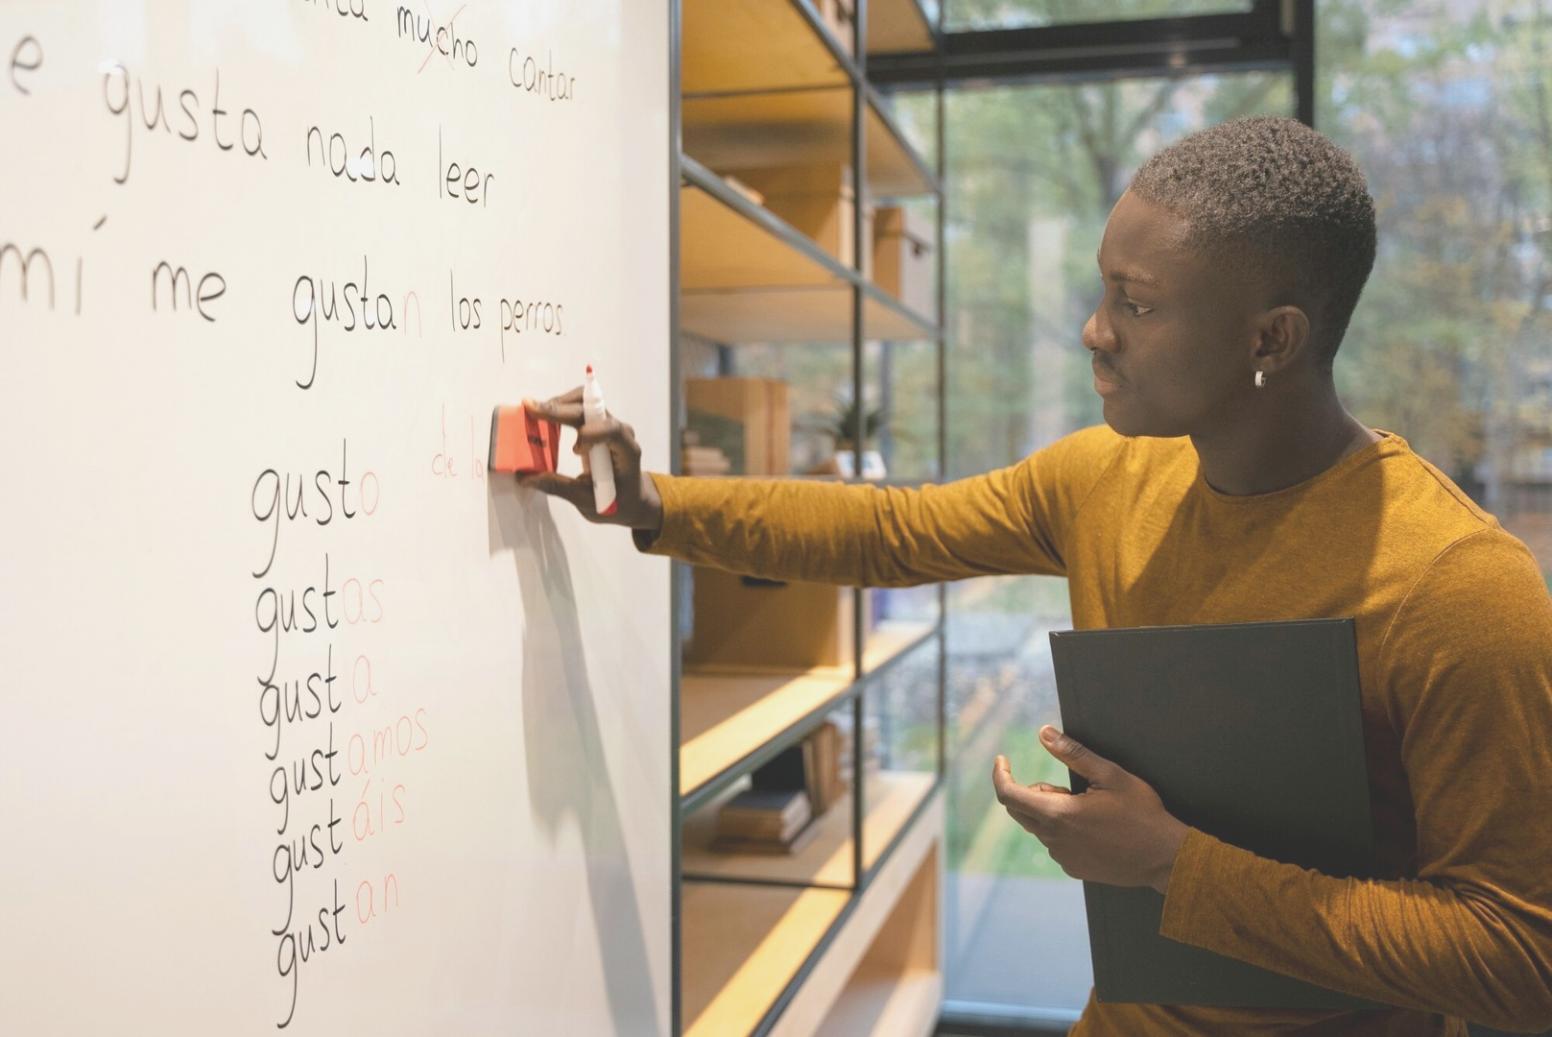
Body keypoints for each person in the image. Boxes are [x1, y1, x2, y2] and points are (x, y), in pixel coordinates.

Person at [520, 116, 1552, 1035]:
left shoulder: (1457, 588)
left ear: (1270, 339)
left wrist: (1171, 863)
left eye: (1135, 304)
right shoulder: (1104, 478)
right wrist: (651, 502)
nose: (1095, 330)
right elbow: (889, 532)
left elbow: (1521, 958)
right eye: (1102, 289)